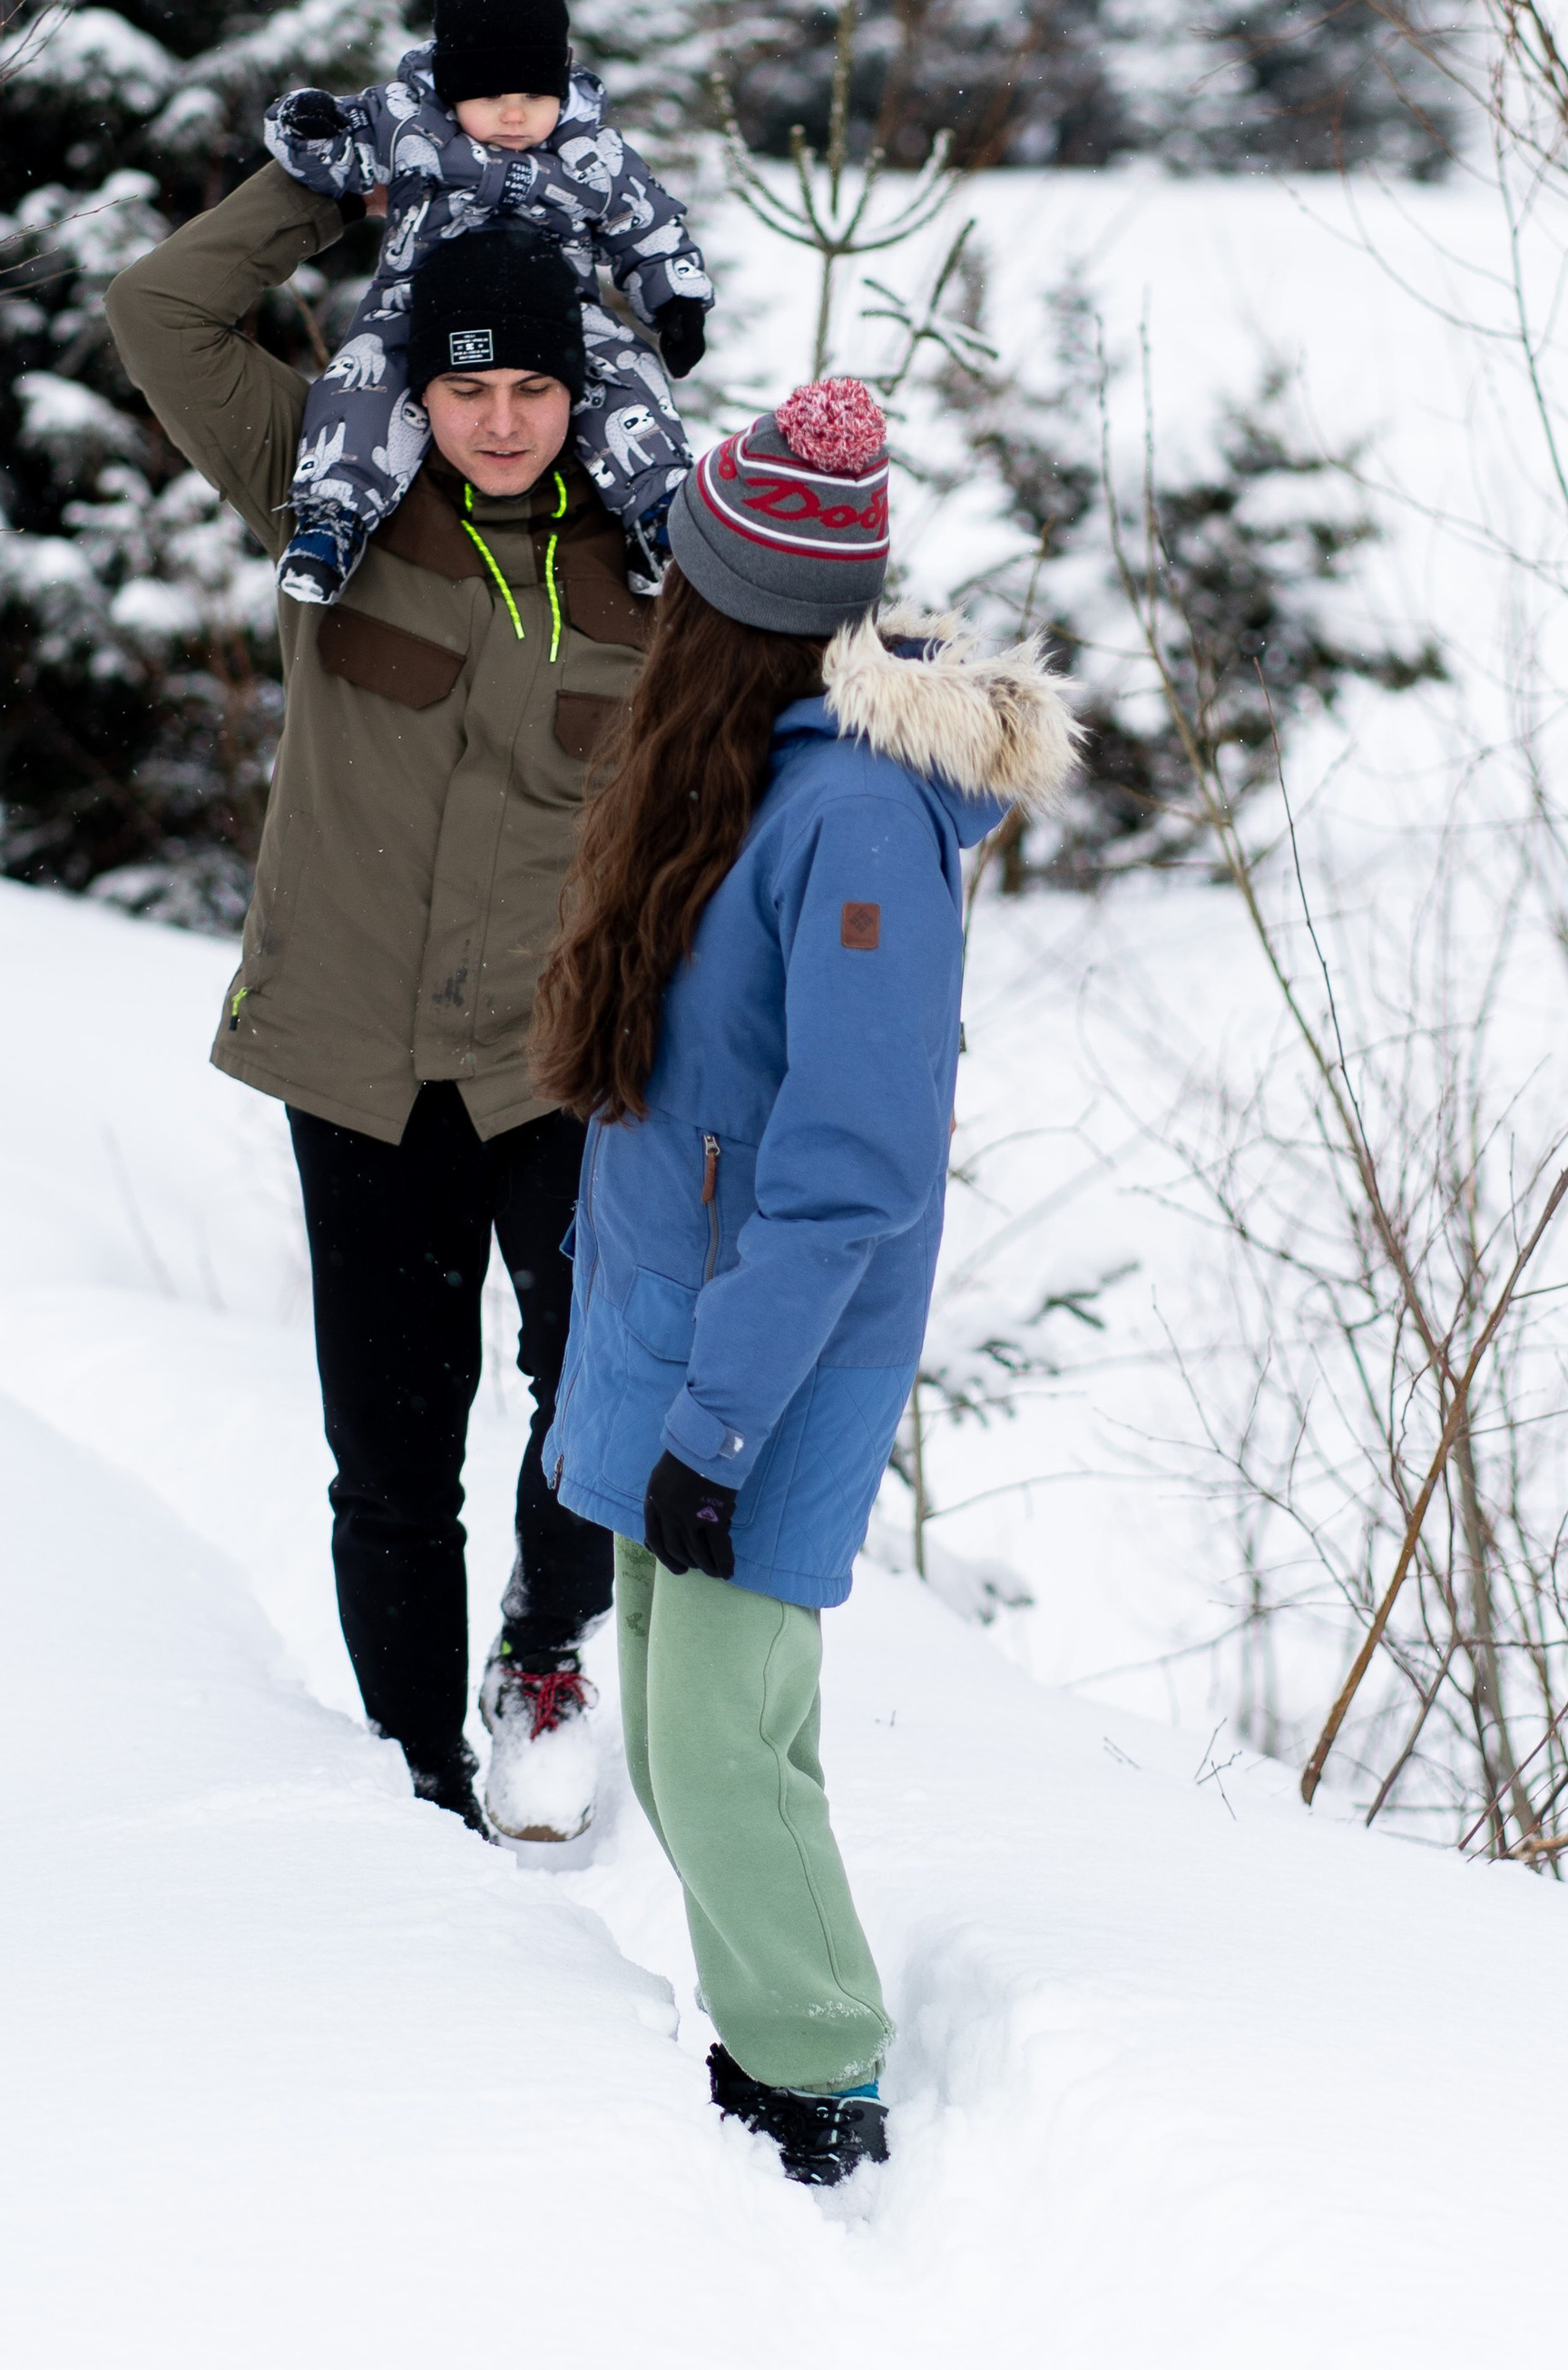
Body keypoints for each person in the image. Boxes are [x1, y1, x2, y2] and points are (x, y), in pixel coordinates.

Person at [531, 378, 1073, 2184]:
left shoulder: (850, 824)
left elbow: (847, 1171)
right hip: (683, 1329)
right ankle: (771, 2046)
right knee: (690, 1751)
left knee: (714, 1741)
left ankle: (816, 2081)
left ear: (735, 614)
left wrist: (720, 1420)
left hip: (766, 1357)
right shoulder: (735, 769)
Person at [106, 175, 642, 1842]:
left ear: (581, 390)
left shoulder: (651, 546)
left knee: (598, 1384)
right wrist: (330, 180)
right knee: (394, 1453)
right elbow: (160, 313)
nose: (499, 423)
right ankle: (419, 1777)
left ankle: (545, 1645)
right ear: (418, 391)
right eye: (467, 389)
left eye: (532, 389)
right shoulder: (327, 484)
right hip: (356, 1054)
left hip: (558, 1055)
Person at [261, 0, 713, 606]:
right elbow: (338, 150)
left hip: (558, 303)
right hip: (418, 296)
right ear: (451, 85)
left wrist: (676, 302)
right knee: (364, 378)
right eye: (491, 95)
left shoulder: (593, 151)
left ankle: (658, 518)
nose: (513, 115)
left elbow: (647, 223)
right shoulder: (409, 124)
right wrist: (312, 128)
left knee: (625, 375)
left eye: (534, 94)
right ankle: (334, 516)